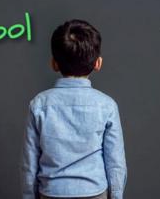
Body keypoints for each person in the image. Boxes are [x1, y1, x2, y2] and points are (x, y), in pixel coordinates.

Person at [21, 19, 127, 199]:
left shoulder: (39, 104)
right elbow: (115, 163)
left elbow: (29, 164)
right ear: (98, 63)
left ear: (54, 63)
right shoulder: (107, 105)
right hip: (94, 193)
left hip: (51, 193)